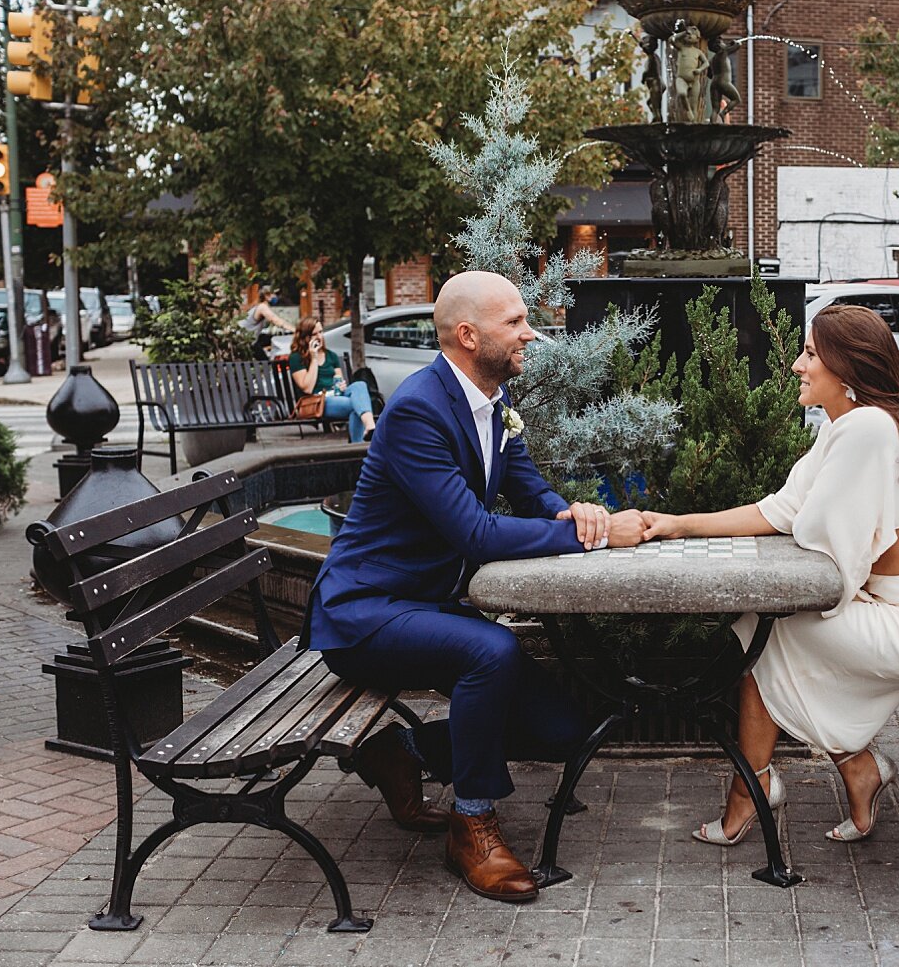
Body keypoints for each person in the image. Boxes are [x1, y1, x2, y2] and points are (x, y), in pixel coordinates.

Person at [305, 270, 646, 903]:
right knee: (491, 653)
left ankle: (400, 751)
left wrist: (574, 513)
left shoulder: (490, 401)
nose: (530, 334)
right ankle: (472, 823)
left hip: (426, 605)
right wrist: (594, 538)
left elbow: (530, 487)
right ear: (468, 335)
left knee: (562, 727)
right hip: (364, 611)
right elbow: (479, 535)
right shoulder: (418, 411)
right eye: (515, 323)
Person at [640, 305, 899, 846]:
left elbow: (822, 544)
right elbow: (781, 510)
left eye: (810, 355)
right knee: (764, 626)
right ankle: (839, 771)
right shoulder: (847, 426)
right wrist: (678, 525)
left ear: (845, 368)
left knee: (766, 627)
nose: (798, 366)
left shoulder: (868, 428)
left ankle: (756, 789)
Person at [288, 318, 377, 442]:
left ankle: (370, 426)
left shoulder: (331, 356)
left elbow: (338, 380)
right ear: (305, 337)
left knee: (360, 385)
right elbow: (307, 388)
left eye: (321, 332)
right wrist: (313, 358)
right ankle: (359, 447)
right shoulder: (296, 358)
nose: (319, 336)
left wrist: (341, 385)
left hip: (336, 396)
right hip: (317, 401)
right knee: (355, 406)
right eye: (315, 334)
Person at [240, 291, 291, 359]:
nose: (275, 297)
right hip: (245, 342)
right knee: (265, 364)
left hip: (249, 341)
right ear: (267, 296)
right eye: (273, 294)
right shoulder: (262, 307)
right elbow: (276, 321)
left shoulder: (259, 306)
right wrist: (296, 329)